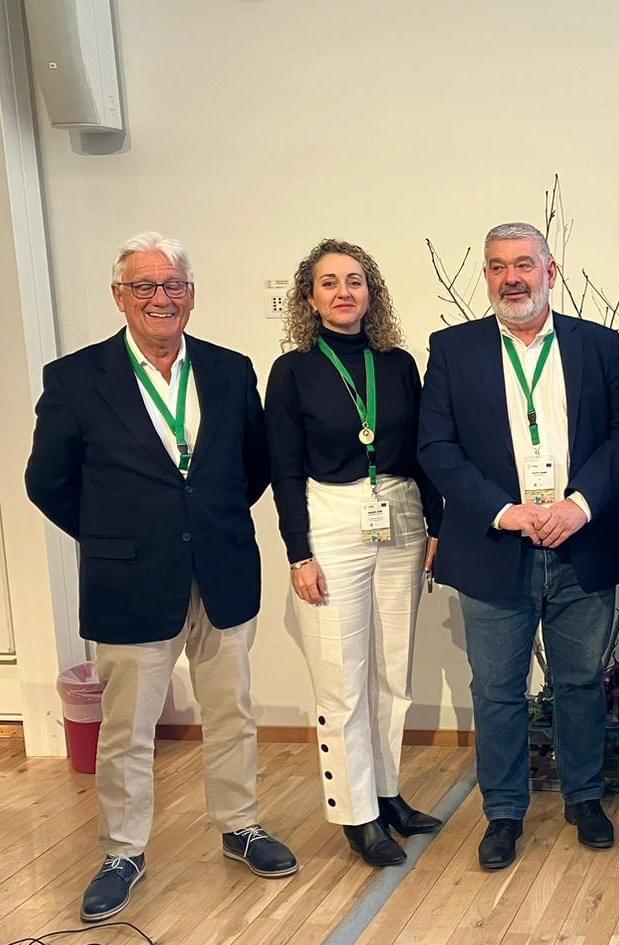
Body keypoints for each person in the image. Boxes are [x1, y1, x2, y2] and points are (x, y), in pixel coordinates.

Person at [25, 232, 298, 923]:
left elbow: (253, 464)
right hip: (130, 580)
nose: (160, 298)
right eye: (143, 286)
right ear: (120, 297)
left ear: (191, 295)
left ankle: (240, 826)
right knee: (127, 728)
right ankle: (122, 851)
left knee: (233, 710)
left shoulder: (231, 370)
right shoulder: (76, 378)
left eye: (172, 284)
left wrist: (207, 520)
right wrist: (115, 533)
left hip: (222, 569)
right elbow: (47, 481)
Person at [419, 222, 619, 871]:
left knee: (579, 681)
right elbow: (436, 448)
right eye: (497, 266)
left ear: (551, 270)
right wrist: (507, 511)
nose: (512, 276)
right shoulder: (453, 349)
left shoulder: (597, 345)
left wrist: (579, 504)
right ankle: (504, 810)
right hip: (494, 546)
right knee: (497, 689)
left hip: (581, 540)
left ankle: (584, 796)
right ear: (487, 276)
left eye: (524, 263)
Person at [264, 239, 444, 867]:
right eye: (329, 283)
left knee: (394, 669)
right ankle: (355, 812)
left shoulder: (396, 364)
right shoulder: (292, 371)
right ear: (309, 299)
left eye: (356, 281)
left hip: (399, 515)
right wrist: (297, 552)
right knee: (342, 680)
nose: (344, 293)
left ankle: (388, 792)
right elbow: (283, 469)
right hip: (331, 519)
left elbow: (424, 453)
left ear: (373, 293)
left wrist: (437, 528)